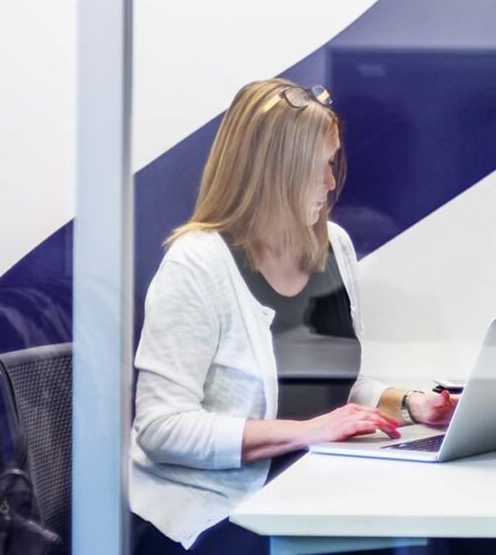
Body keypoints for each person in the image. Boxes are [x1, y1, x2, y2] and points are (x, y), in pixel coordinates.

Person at [129, 79, 458, 553]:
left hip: (309, 489)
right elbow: (161, 429)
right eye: (319, 167)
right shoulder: (196, 263)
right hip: (213, 514)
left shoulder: (334, 246)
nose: (330, 183)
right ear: (273, 173)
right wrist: (307, 432)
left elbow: (332, 386)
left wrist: (410, 405)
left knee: (434, 533)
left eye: (332, 164)